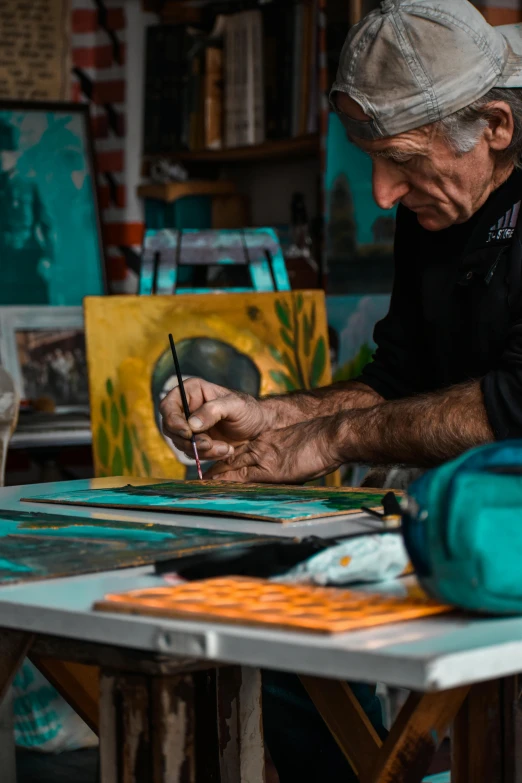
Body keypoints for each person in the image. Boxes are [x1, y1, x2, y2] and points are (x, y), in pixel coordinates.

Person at [160, 1, 522, 779]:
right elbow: (398, 384)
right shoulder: (435, 207)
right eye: (370, 159)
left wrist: (323, 441)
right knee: (283, 643)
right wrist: (268, 416)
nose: (383, 193)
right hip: (472, 537)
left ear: (495, 124)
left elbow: (514, 401)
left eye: (402, 160)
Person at [0, 120, 55, 305]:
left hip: (27, 262)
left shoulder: (29, 186)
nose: (2, 157)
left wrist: (48, 257)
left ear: (15, 154)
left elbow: (46, 225)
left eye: (6, 151)